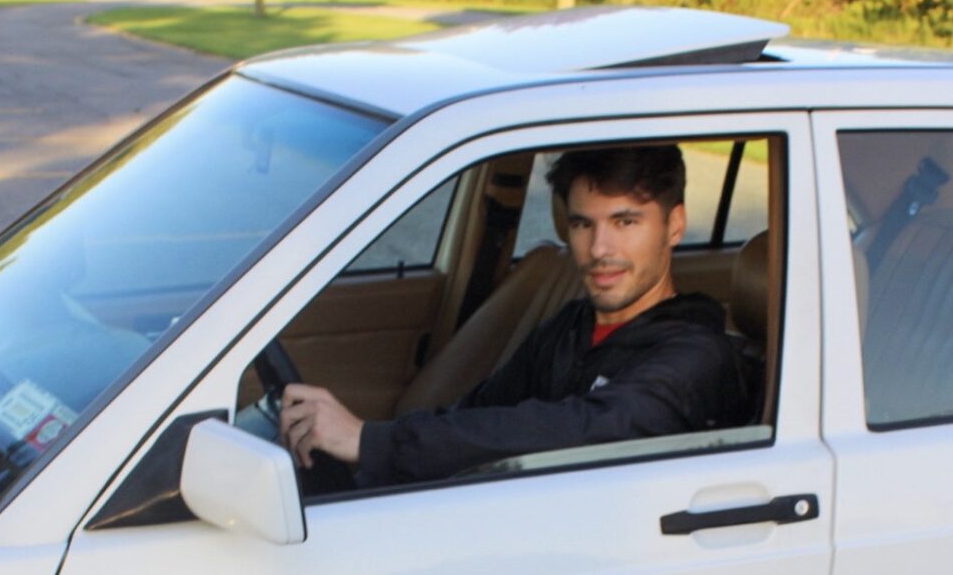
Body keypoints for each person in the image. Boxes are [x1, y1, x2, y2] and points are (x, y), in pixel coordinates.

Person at [280, 144, 748, 487]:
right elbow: (482, 414)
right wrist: (375, 462)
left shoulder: (696, 358)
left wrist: (372, 442)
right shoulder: (572, 325)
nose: (599, 249)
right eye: (583, 224)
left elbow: (584, 429)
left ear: (676, 225)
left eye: (626, 222)